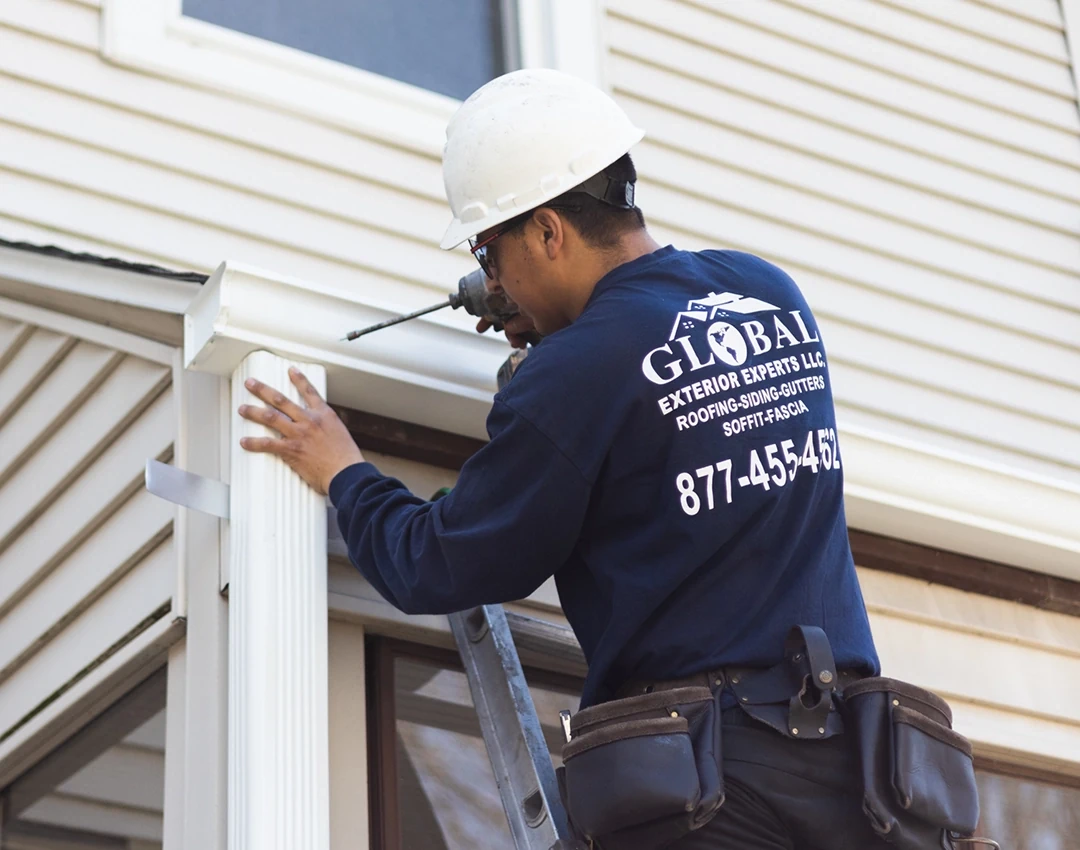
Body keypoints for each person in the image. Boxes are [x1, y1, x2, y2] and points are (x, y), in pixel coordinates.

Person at [238, 69, 890, 849]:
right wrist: (553, 335)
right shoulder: (769, 292)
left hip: (714, 788)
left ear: (548, 232)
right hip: (856, 774)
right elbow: (664, 406)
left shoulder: (575, 371)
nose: (492, 280)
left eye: (490, 251)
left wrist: (343, 470)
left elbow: (435, 563)